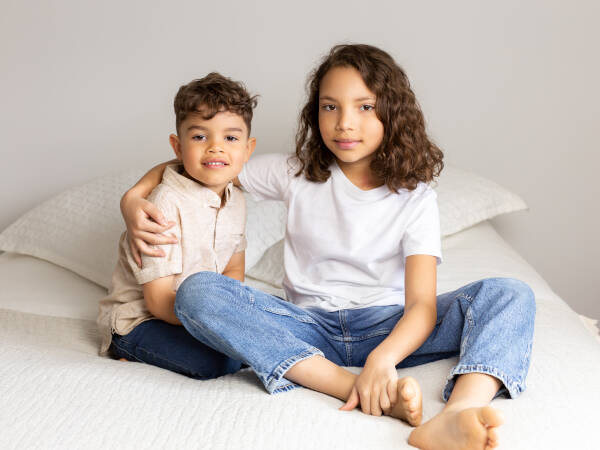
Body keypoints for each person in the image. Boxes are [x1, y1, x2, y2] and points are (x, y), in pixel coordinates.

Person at [120, 44, 535, 450]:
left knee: (509, 294)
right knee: (199, 290)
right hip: (305, 327)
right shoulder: (294, 172)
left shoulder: (416, 197)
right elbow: (206, 162)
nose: (344, 123)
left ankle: (456, 413)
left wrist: (383, 360)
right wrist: (134, 197)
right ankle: (344, 385)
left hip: (387, 327)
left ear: (392, 112)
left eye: (364, 107)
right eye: (330, 106)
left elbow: (423, 307)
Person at [97, 72, 257, 381]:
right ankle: (126, 348)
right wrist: (218, 328)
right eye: (199, 137)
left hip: (199, 315)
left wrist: (235, 320)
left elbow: (233, 271)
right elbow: (157, 302)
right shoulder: (165, 203)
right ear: (177, 146)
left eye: (230, 138)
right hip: (141, 319)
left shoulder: (237, 200)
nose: (215, 148)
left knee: (256, 337)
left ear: (247, 149)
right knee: (215, 364)